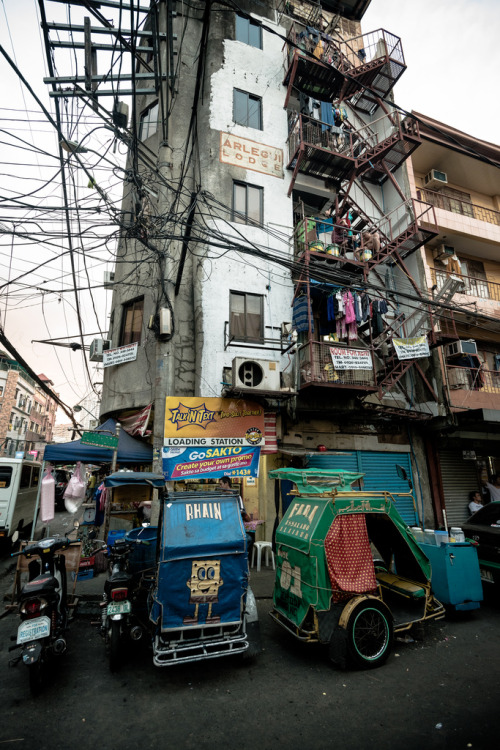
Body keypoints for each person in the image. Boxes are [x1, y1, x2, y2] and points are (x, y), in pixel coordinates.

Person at [219, 476, 254, 557]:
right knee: (248, 539)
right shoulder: (221, 497)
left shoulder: (236, 497)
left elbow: (242, 511)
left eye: (221, 484)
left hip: (234, 528)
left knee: (247, 539)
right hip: (226, 529)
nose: (220, 486)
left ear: (226, 483)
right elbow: (243, 512)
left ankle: (240, 557)